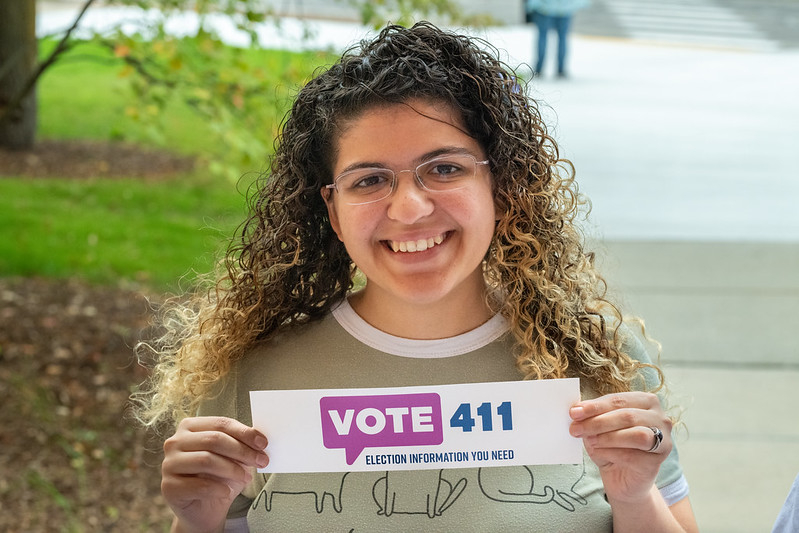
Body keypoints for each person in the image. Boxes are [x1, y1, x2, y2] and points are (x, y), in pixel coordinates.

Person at [134, 22, 698, 532]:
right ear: (332, 210)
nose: (408, 208)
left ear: (500, 186)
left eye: (445, 168)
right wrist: (198, 522)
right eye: (369, 180)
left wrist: (635, 496)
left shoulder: (595, 354)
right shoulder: (251, 374)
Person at [526, 0, 590, 78]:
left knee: (542, 37)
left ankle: (538, 70)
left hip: (544, 8)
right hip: (565, 9)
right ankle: (561, 70)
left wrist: (531, 5)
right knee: (562, 38)